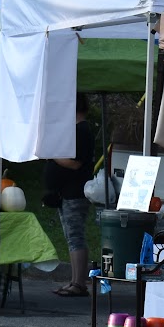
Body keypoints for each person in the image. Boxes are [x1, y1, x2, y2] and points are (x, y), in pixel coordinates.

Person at [45, 94, 96, 297]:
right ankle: (75, 280)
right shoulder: (75, 130)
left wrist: (52, 155)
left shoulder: (82, 130)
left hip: (75, 192)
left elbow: (75, 162)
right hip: (66, 192)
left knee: (76, 236)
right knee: (71, 236)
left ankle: (79, 282)